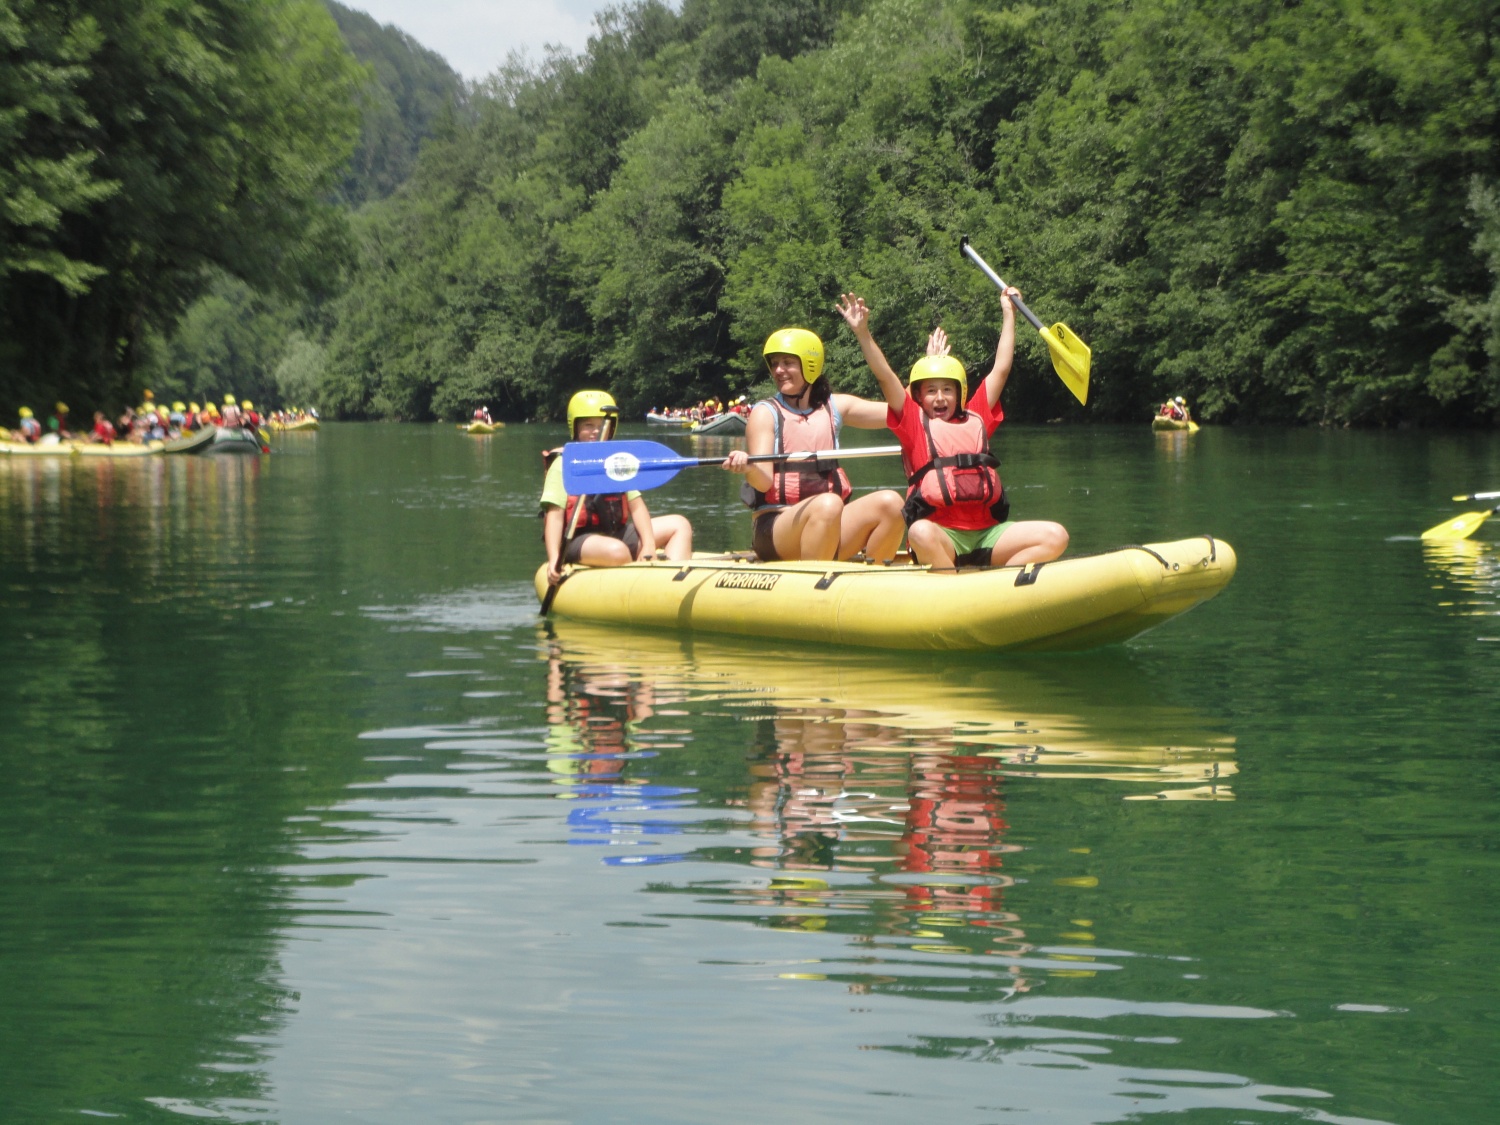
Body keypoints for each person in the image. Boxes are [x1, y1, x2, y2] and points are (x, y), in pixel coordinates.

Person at [837, 289, 1068, 570]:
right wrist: (863, 333)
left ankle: (998, 581)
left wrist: (1009, 314)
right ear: (919, 397)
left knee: (1056, 536)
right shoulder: (913, 424)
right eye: (931, 391)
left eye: (947, 390)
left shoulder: (977, 417)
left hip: (987, 534)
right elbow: (885, 376)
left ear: (960, 394)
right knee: (919, 531)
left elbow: (1001, 369)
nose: (940, 398)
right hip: (941, 536)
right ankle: (952, 582)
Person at [721, 328, 905, 563]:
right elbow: (763, 481)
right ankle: (813, 580)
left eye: (788, 362)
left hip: (829, 523)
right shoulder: (765, 413)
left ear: (810, 365)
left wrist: (927, 374)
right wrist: (749, 468)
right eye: (775, 364)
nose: (778, 370)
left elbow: (901, 410)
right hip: (776, 528)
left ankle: (874, 575)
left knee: (891, 504)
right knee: (828, 504)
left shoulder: (835, 407)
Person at [541, 390, 694, 587]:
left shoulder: (616, 462)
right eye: (588, 425)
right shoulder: (563, 464)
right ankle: (638, 584)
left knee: (680, 525)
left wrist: (648, 545)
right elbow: (554, 516)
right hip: (578, 540)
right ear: (575, 427)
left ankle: (670, 586)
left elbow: (637, 506)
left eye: (601, 426)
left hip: (616, 533)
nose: (596, 431)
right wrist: (554, 558)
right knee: (617, 551)